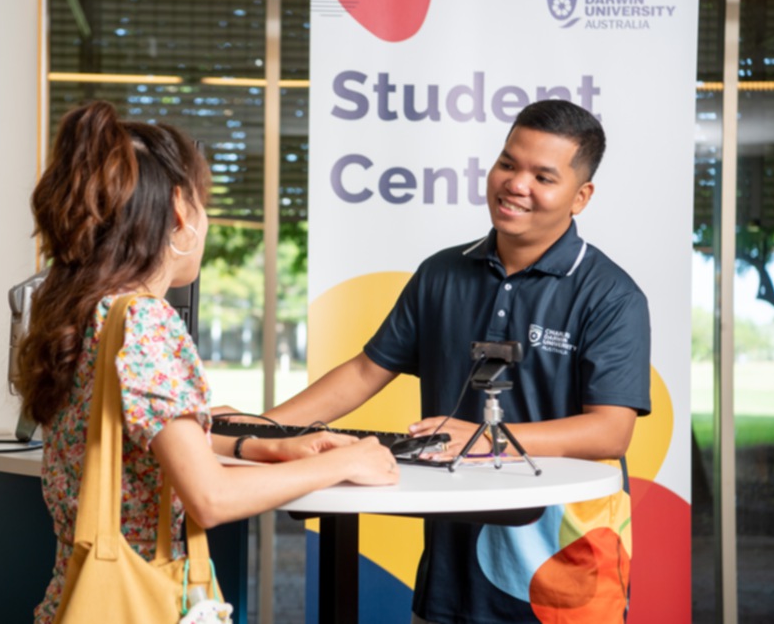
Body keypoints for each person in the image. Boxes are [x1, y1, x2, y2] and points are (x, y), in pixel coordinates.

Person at [262, 99, 651, 623]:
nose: (515, 183)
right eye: (508, 163)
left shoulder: (611, 295)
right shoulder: (441, 273)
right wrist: (263, 430)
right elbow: (363, 371)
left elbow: (610, 432)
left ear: (580, 197)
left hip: (562, 569)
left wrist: (487, 438)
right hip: (453, 564)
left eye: (543, 176)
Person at [16, 100, 399, 624]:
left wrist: (264, 446)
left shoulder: (79, 310)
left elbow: (131, 438)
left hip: (77, 598)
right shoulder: (146, 323)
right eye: (205, 203)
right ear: (179, 212)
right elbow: (210, 498)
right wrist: (341, 463)